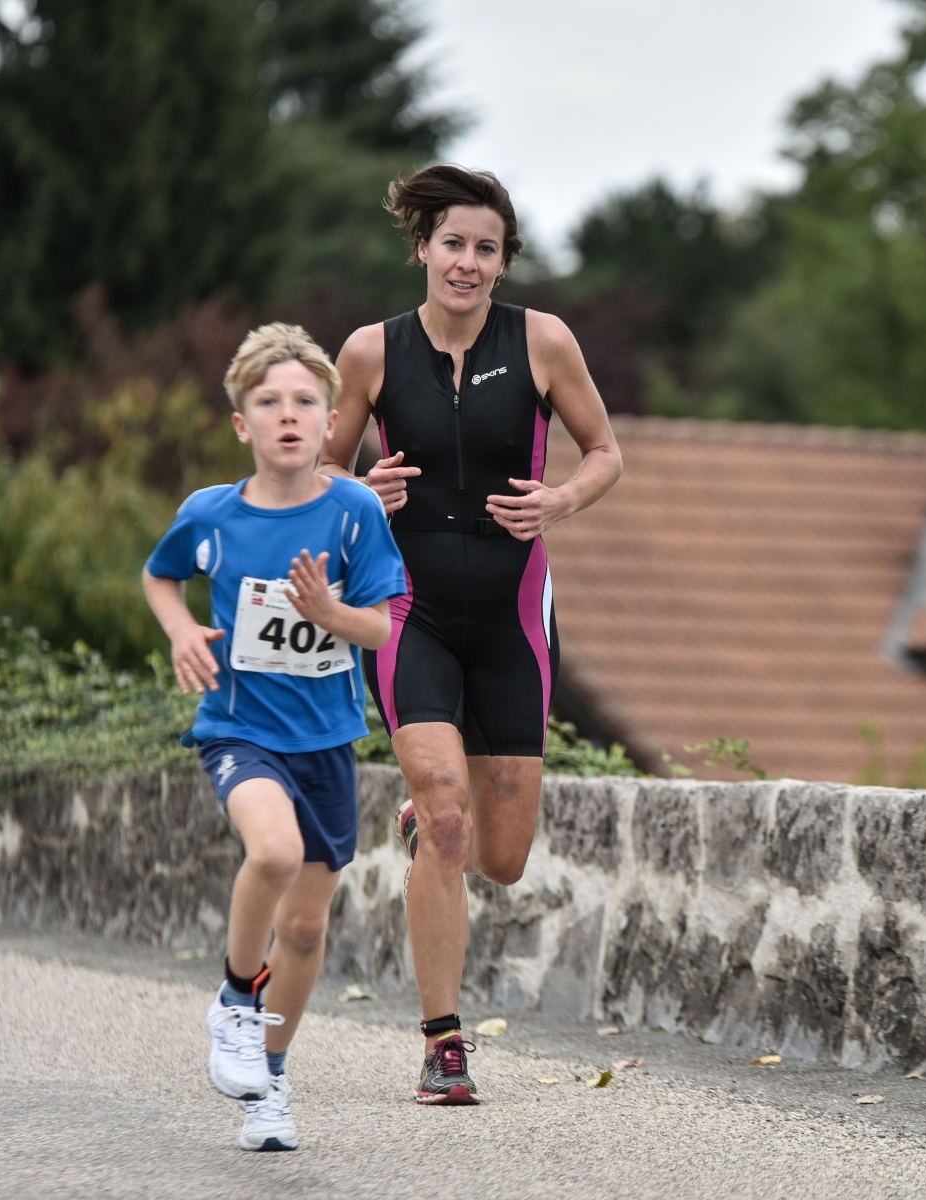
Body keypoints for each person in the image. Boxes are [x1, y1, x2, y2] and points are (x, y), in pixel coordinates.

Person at [323, 164, 622, 1105]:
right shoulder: (370, 353)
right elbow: (312, 475)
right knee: (449, 818)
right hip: (406, 609)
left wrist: (561, 499)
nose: (466, 262)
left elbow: (606, 451)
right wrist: (357, 493)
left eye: (484, 249)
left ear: (503, 262)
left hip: (510, 617)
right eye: (451, 242)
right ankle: (443, 1042)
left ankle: (426, 824)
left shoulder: (542, 342)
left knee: (500, 855)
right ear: (421, 247)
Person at [143, 323, 407, 1150]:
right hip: (238, 729)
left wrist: (332, 615)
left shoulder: (354, 511)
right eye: (269, 402)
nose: (288, 416)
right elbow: (160, 574)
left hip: (326, 739)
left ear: (332, 422)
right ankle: (232, 1000)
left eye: (305, 402)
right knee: (273, 853)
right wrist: (182, 630)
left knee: (303, 929)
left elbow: (388, 624)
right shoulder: (209, 514)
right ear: (241, 425)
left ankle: (270, 1083)